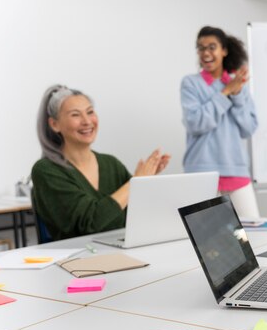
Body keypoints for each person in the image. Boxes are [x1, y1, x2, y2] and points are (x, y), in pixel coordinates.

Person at [31, 85, 170, 241]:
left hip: (121, 253)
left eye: (90, 112)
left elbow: (140, 214)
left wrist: (147, 182)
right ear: (54, 124)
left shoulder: (110, 163)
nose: (87, 121)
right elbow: (90, 224)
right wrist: (135, 182)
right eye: (75, 115)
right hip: (78, 260)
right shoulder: (46, 170)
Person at [180, 25, 260, 218]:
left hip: (236, 170)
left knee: (254, 234)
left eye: (211, 47)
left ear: (224, 50)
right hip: (201, 174)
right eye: (201, 48)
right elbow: (196, 123)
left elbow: (248, 129)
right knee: (206, 240)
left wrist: (237, 93)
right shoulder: (191, 83)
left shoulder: (238, 85)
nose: (205, 53)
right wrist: (225, 92)